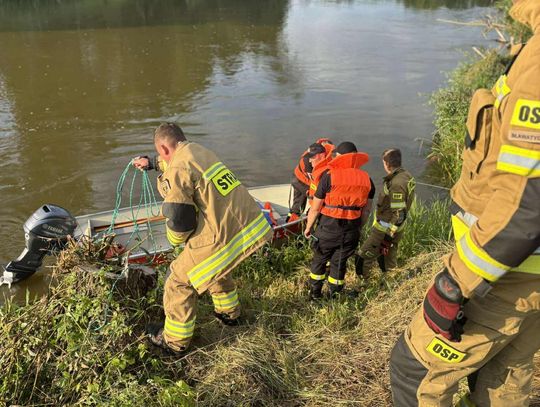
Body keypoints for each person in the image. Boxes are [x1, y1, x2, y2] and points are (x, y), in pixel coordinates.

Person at [389, 1, 540, 405]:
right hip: (524, 276)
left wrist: (456, 283)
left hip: (506, 276)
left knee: (415, 371)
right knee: (504, 377)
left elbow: (528, 209)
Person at [132, 123, 273, 353]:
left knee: (177, 280)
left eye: (160, 154)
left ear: (164, 149)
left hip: (223, 232)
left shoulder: (177, 169)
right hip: (248, 223)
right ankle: (229, 313)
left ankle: (174, 342)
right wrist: (152, 163)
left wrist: (175, 241)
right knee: (216, 267)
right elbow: (178, 164)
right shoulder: (197, 150)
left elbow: (180, 221)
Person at [304, 141, 375, 299]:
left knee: (319, 261)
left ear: (339, 157)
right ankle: (334, 296)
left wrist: (308, 227)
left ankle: (315, 295)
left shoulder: (329, 176)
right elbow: (366, 211)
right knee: (339, 263)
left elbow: (315, 208)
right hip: (350, 231)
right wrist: (359, 228)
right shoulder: (367, 180)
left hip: (327, 229)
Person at [356, 148, 415, 277]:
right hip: (396, 228)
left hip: (385, 229)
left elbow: (399, 214)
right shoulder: (406, 175)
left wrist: (388, 236)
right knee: (388, 259)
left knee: (362, 257)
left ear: (387, 163)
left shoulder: (396, 184)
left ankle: (364, 283)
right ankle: (390, 282)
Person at [289, 138, 334, 221]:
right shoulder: (310, 160)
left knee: (299, 202)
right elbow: (314, 181)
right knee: (311, 197)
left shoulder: (320, 155)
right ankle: (298, 218)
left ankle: (295, 216)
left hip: (300, 177)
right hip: (300, 180)